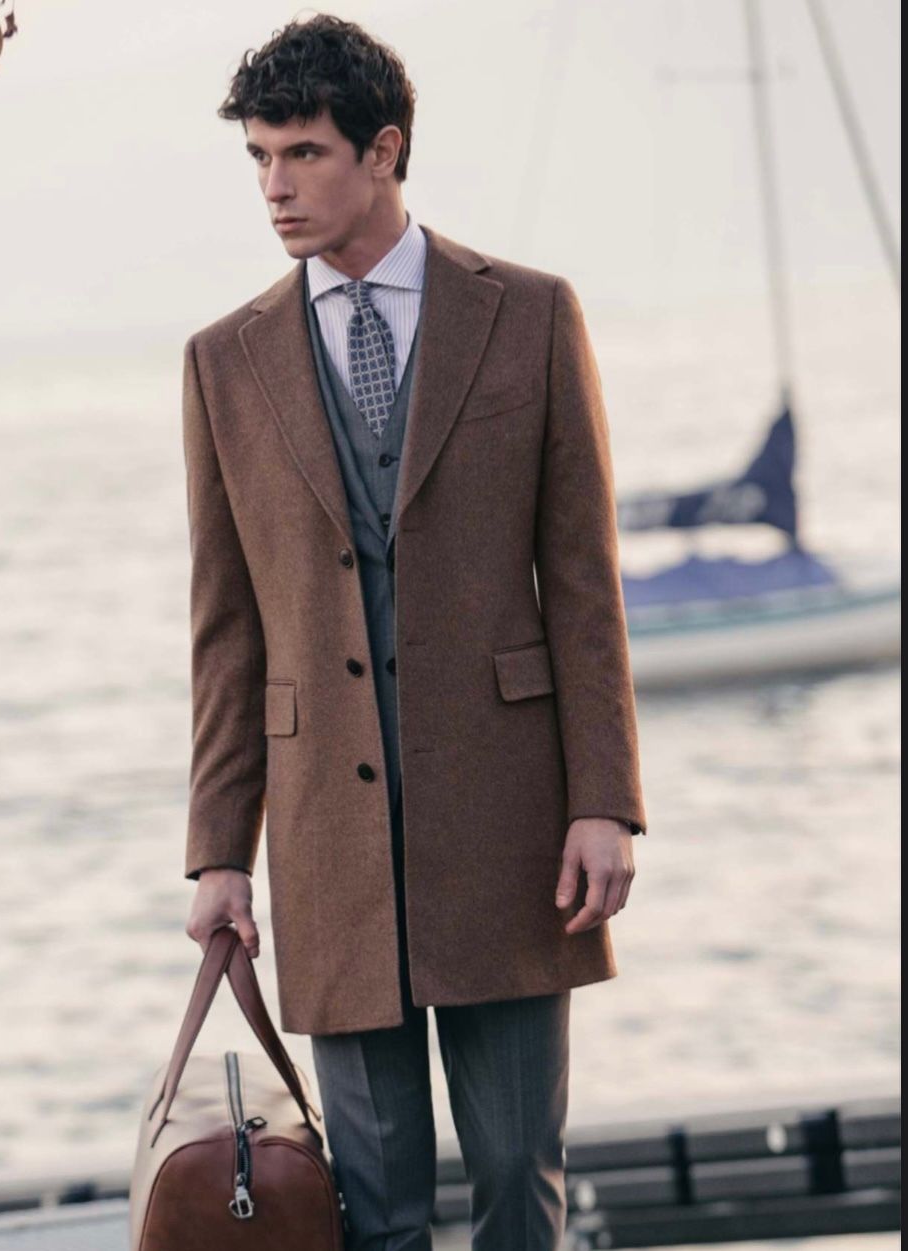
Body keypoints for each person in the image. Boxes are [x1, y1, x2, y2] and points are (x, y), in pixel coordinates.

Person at [183, 14, 647, 1251]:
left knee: (514, 1179)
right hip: (328, 840)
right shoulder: (223, 363)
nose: (276, 186)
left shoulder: (531, 315)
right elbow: (225, 631)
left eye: (304, 154)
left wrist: (605, 799)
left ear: (383, 151)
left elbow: (583, 585)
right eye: (260, 158)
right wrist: (217, 855)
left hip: (509, 827)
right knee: (373, 1207)